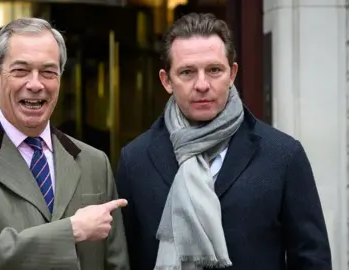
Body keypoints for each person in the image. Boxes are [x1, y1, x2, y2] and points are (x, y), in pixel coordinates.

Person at [116, 13, 331, 270]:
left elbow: (312, 259)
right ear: (166, 81)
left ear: (232, 74)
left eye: (214, 70)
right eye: (187, 72)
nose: (202, 84)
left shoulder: (283, 155)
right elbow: (124, 259)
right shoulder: (136, 160)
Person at [0, 17, 129, 270]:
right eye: (21, 71)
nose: (35, 84)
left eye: (48, 72)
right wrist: (71, 231)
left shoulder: (94, 162)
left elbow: (116, 263)